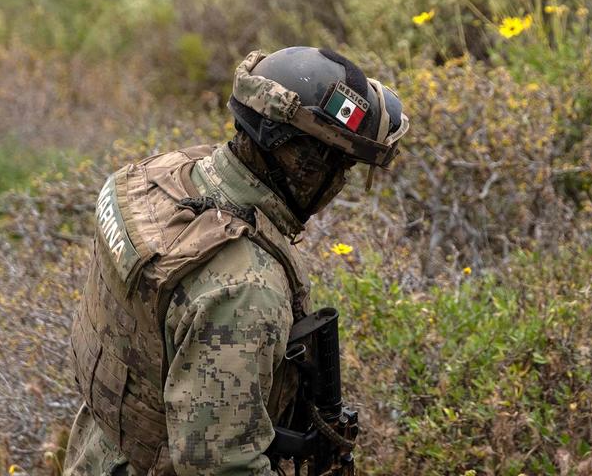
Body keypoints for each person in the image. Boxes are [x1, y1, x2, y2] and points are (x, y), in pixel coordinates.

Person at [65, 47, 409, 475]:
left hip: (97, 453)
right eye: (341, 168)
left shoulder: (153, 176)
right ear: (305, 162)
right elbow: (224, 466)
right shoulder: (245, 289)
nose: (340, 183)